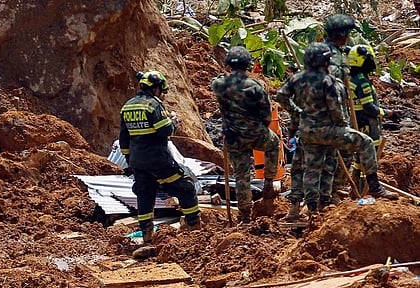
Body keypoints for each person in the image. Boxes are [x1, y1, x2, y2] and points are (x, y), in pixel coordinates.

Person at [275, 43, 394, 216]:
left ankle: (314, 208)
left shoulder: (297, 78)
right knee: (365, 142)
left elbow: (281, 96)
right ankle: (374, 186)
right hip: (328, 130)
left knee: (312, 168)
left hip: (307, 132)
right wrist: (342, 125)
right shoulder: (328, 81)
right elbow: (336, 109)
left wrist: (297, 113)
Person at [119, 70, 200, 257]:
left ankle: (147, 235)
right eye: (161, 90)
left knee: (145, 194)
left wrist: (130, 161)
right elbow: (165, 131)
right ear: (155, 88)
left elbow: (123, 139)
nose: (161, 93)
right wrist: (173, 121)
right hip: (157, 158)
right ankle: (195, 227)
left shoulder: (127, 106)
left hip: (137, 160)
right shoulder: (153, 105)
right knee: (186, 186)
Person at [211, 46, 279, 224]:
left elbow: (216, 81)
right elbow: (266, 115)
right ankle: (269, 181)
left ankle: (245, 215)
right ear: (247, 64)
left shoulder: (219, 85)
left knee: (242, 176)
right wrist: (258, 129)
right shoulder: (256, 86)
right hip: (255, 132)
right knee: (274, 143)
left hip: (232, 137)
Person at [347, 44, 399, 195]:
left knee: (359, 157)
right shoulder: (362, 81)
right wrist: (389, 113)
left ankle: (354, 188)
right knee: (370, 155)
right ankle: (368, 189)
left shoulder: (350, 78)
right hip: (367, 123)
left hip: (356, 121)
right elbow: (370, 108)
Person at [323, 13, 359, 202]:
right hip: (333, 110)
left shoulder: (322, 51)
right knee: (343, 149)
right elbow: (332, 86)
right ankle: (331, 191)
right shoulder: (334, 58)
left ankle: (330, 191)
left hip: (322, 110)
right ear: (342, 35)